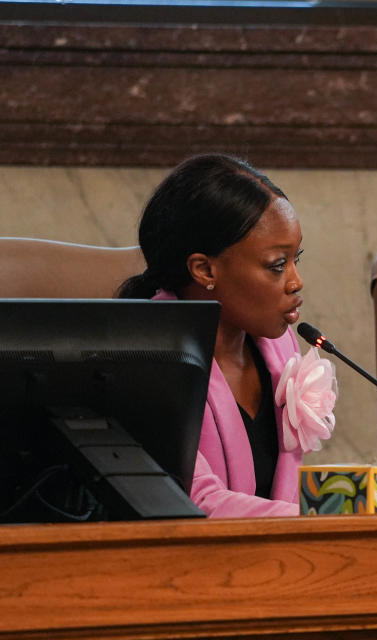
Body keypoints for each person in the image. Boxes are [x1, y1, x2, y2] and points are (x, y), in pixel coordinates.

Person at [119, 154, 312, 518]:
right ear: (205, 269)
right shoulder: (152, 358)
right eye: (276, 265)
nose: (296, 282)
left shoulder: (278, 343)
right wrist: (326, 520)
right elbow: (195, 502)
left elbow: (290, 489)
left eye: (295, 259)